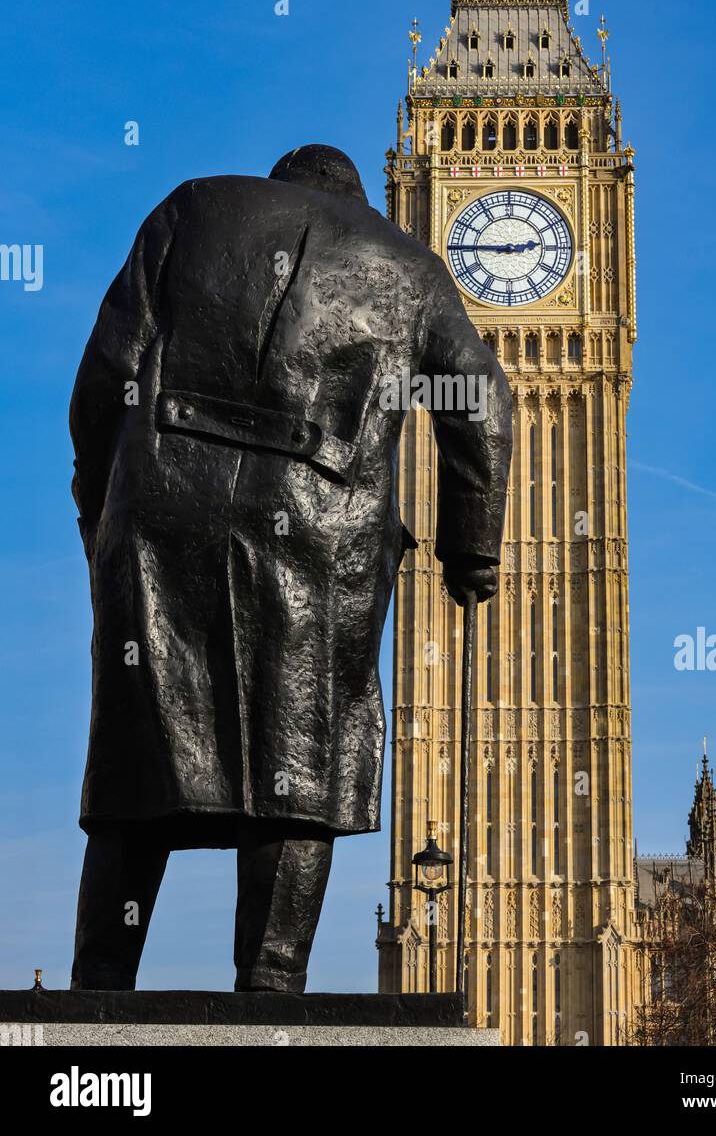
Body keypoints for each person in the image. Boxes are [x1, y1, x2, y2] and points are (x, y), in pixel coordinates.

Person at [69, 145, 512, 991]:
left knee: (141, 748)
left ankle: (97, 988)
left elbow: (104, 376)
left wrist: (101, 506)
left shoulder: (190, 206)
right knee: (305, 753)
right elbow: (481, 406)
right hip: (323, 535)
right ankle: (271, 988)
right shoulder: (407, 265)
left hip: (163, 515)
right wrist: (471, 549)